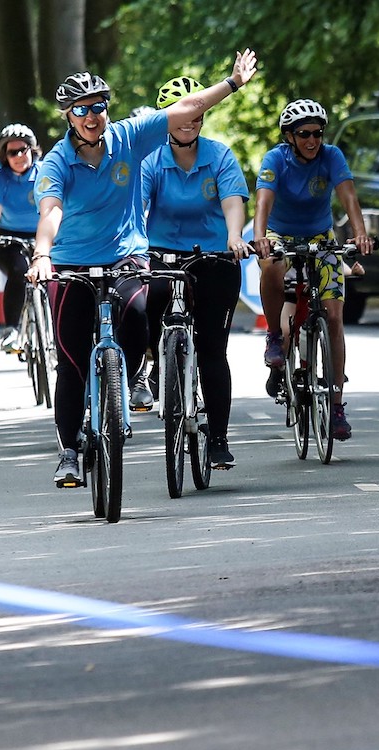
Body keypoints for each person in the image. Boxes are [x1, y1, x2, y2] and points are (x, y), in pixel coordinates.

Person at [28, 49, 259, 487]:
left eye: (98, 106)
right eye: (82, 110)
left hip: (125, 256)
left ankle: (127, 382)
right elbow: (51, 210)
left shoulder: (130, 138)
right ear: (69, 117)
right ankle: (69, 452)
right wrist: (43, 255)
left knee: (136, 322)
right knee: (72, 362)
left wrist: (232, 84)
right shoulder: (57, 161)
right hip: (71, 262)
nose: (92, 116)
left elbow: (185, 110)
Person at [141, 76, 253, 469]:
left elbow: (233, 201)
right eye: (181, 116)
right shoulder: (151, 161)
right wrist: (135, 247)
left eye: (196, 115)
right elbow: (136, 209)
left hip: (214, 255)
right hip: (161, 254)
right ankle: (154, 359)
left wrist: (235, 236)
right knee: (146, 300)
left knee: (212, 351)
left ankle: (219, 439)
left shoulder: (219, 156)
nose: (189, 122)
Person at [251, 98, 376, 442]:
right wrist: (260, 238)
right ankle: (275, 338)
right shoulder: (276, 159)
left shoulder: (331, 156)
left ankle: (336, 406)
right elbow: (263, 200)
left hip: (321, 237)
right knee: (271, 265)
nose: (312, 140)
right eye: (304, 134)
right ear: (289, 137)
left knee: (334, 319)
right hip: (281, 235)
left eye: (317, 133)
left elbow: (349, 196)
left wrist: (360, 234)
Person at [0, 123, 42, 353]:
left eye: (23, 150)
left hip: (42, 235)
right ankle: (12, 329)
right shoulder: (0, 180)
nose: (19, 156)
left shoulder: (44, 173)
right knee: (19, 270)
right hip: (9, 240)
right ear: (4, 156)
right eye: (12, 152)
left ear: (32, 150)